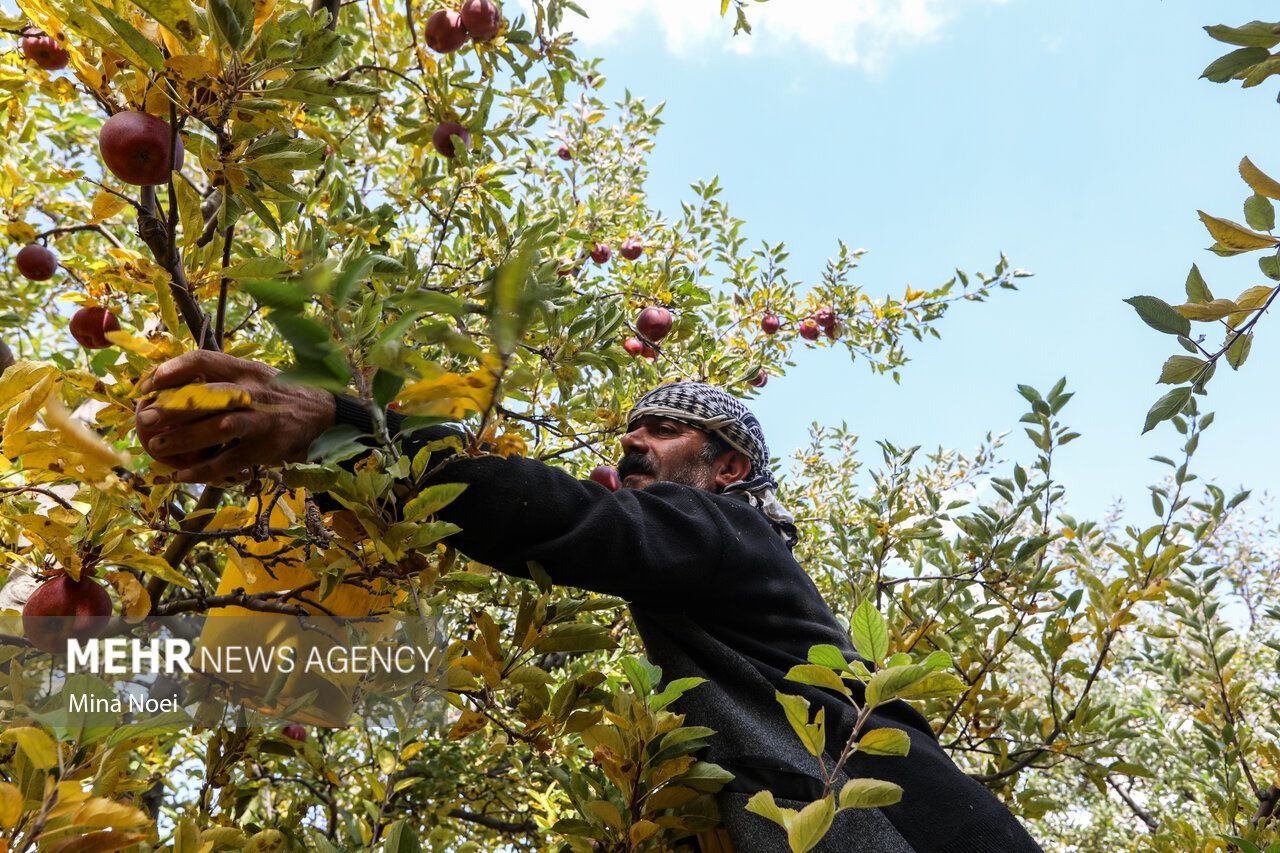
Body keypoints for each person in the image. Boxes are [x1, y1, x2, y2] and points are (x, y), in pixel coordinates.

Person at [135, 351, 1042, 852]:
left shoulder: (727, 531)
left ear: (728, 466)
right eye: (631, 427)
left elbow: (569, 519)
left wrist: (341, 425)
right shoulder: (707, 582)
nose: (634, 441)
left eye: (665, 428)